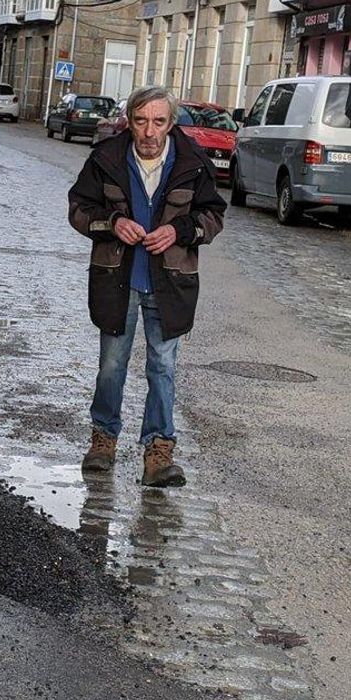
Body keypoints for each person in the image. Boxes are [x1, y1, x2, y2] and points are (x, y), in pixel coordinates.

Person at [67, 86, 226, 487]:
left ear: (171, 123)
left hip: (171, 283)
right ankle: (103, 440)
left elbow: (213, 216)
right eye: (141, 121)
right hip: (116, 279)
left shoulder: (193, 162)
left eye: (158, 121)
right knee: (111, 366)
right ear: (129, 121)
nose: (149, 132)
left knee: (163, 367)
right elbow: (79, 209)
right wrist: (113, 223)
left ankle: (158, 452)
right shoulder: (106, 158)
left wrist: (179, 231)